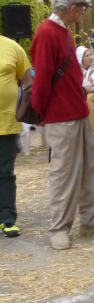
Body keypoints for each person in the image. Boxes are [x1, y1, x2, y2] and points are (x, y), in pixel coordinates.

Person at [30, 0, 94, 250]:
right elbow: (42, 78)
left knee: (90, 169)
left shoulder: (61, 31)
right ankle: (59, 226)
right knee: (64, 173)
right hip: (60, 115)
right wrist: (40, 112)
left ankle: (90, 219)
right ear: (71, 8)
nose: (82, 14)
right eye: (81, 9)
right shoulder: (47, 33)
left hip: (77, 110)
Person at [0, 34, 31, 237]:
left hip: (6, 123)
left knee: (5, 173)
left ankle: (7, 219)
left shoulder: (11, 47)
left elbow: (26, 80)